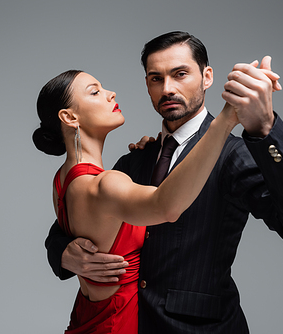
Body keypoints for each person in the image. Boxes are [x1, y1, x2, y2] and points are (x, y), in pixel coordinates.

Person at [45, 31, 283, 333]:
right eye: (156, 78)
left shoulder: (234, 155)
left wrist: (265, 130)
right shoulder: (135, 160)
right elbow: (83, 211)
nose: (168, 88)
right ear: (147, 85)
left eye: (180, 74)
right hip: (128, 324)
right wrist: (63, 251)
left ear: (207, 77)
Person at [33, 67, 248, 333]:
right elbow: (165, 206)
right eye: (95, 92)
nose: (111, 94)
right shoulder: (107, 184)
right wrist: (225, 121)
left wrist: (162, 155)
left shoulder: (63, 181)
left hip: (87, 319)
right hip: (119, 323)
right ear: (69, 116)